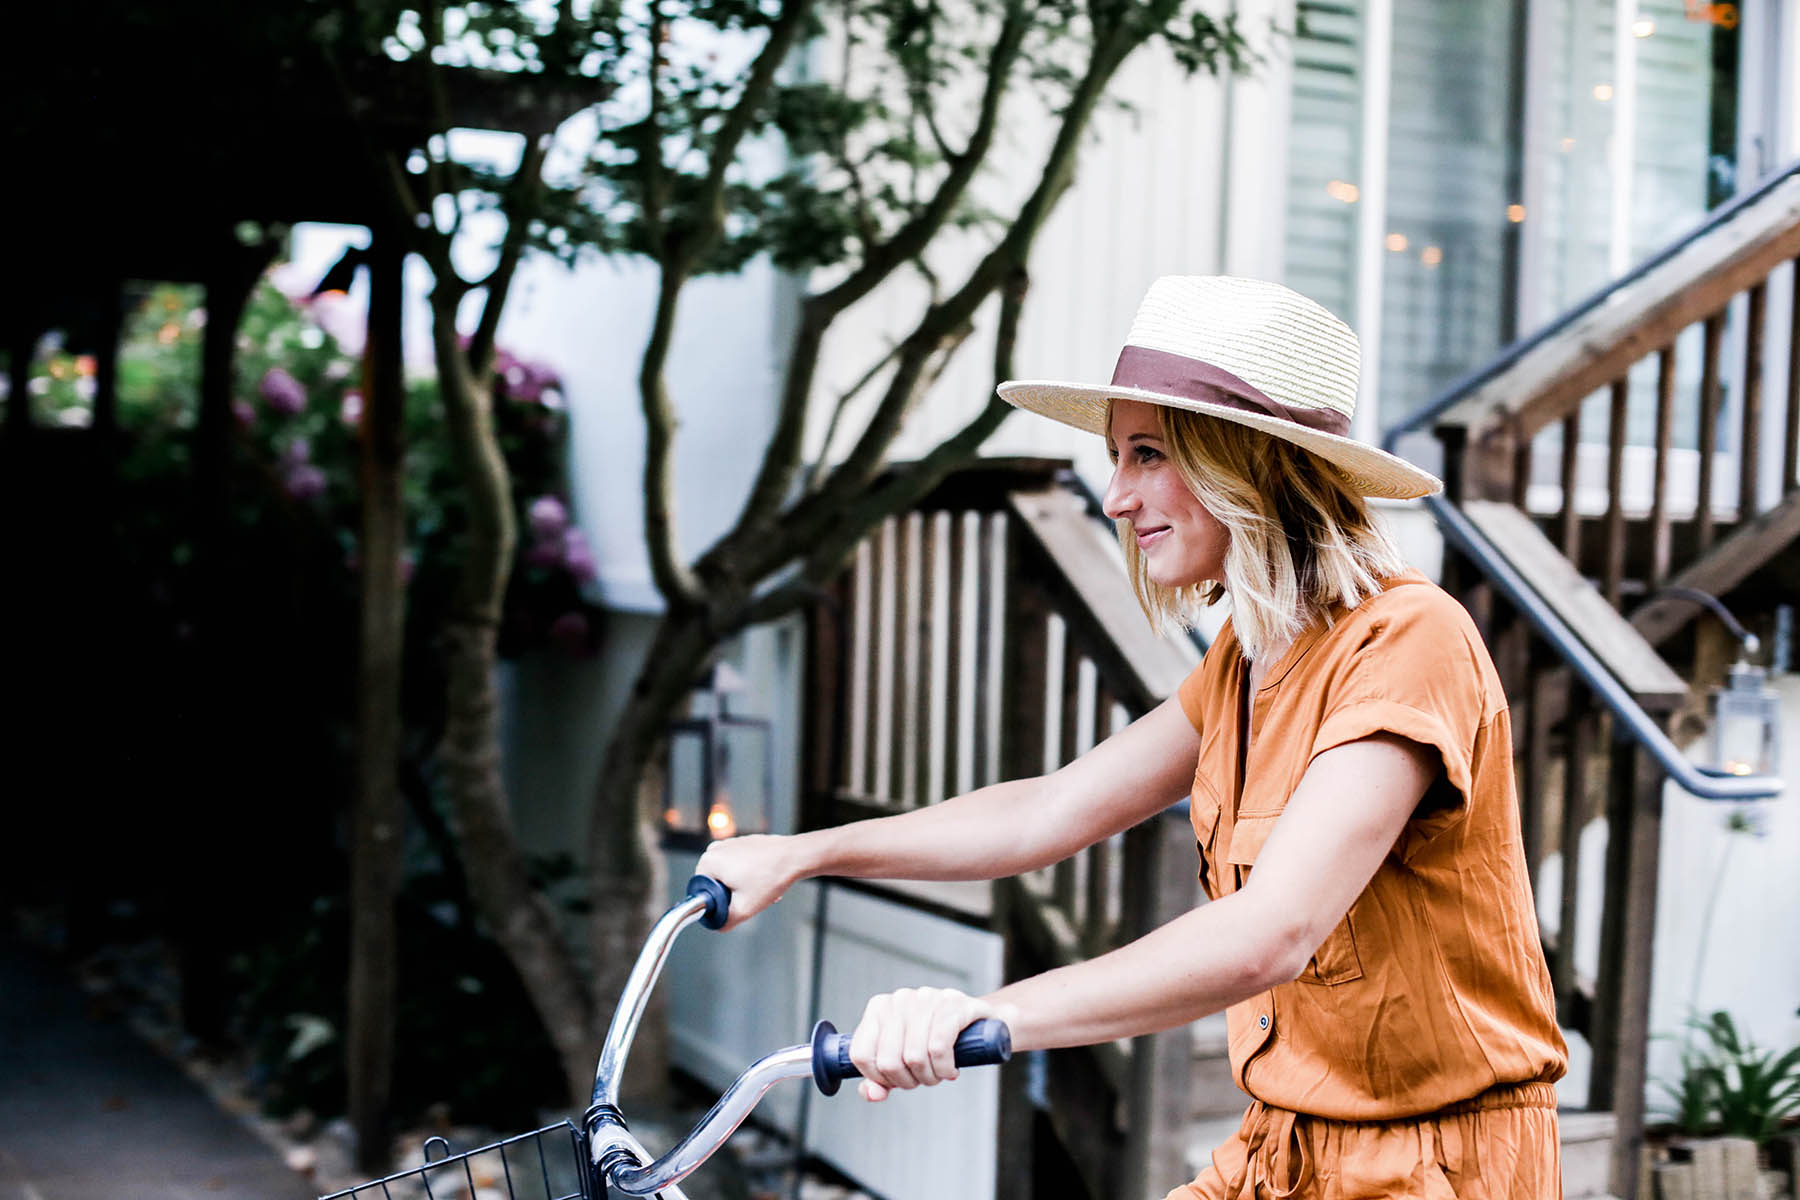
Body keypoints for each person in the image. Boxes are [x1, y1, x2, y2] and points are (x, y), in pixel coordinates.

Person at [697, 276, 1568, 1198]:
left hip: (1435, 1165)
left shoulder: (1406, 640)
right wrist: (801, 853)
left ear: (1254, 462)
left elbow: (1270, 933)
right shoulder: (1248, 658)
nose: (1116, 498)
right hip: (1285, 1146)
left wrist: (984, 1016)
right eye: (1117, 458)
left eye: (1147, 455)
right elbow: (1047, 812)